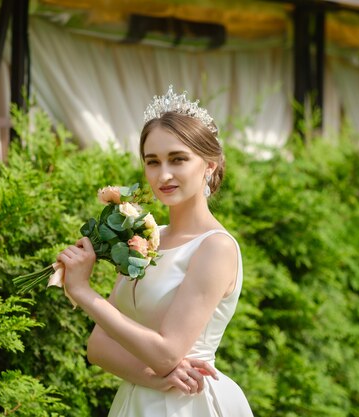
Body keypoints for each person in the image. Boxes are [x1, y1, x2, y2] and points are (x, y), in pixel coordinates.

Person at [58, 86, 254, 416]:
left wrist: (82, 291)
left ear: (208, 164)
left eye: (178, 159)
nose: (163, 174)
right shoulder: (147, 238)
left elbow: (167, 352)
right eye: (153, 161)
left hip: (190, 404)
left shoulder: (216, 247)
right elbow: (98, 347)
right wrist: (152, 378)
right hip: (138, 401)